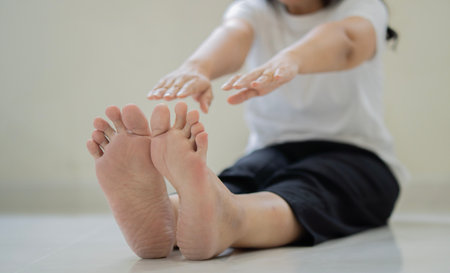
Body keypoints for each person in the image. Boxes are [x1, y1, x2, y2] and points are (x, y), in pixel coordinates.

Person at [87, 0, 407, 260]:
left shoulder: (363, 7)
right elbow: (234, 35)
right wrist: (199, 67)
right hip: (271, 149)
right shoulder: (256, 10)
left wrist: (292, 59)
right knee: (234, 181)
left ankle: (232, 218)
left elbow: (347, 40)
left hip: (356, 156)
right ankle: (169, 213)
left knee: (306, 190)